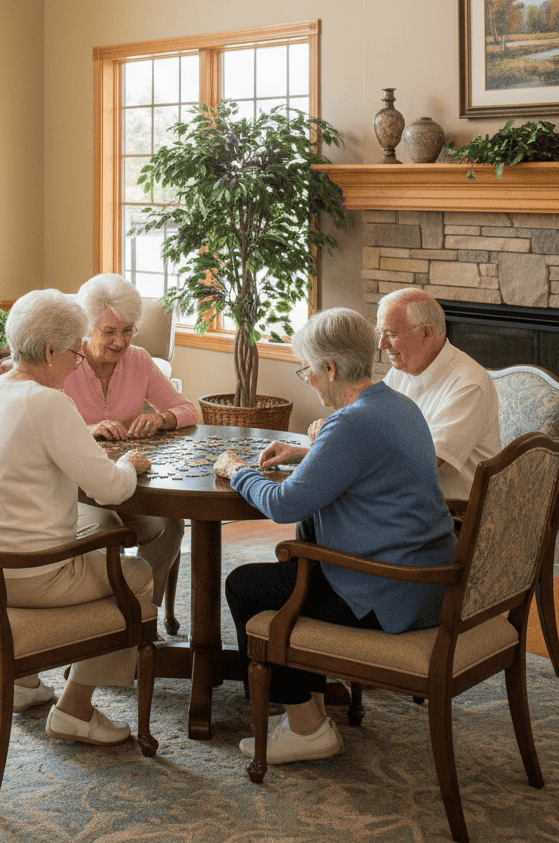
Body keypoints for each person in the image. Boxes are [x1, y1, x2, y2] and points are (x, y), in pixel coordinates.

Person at [213, 307, 456, 765]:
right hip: (426, 583)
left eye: (305, 370)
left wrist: (236, 470)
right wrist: (309, 452)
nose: (305, 379)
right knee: (291, 572)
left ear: (330, 368)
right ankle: (313, 705)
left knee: (247, 587)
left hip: (389, 593)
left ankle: (306, 727)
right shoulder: (398, 405)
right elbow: (365, 461)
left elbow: (284, 505)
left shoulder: (350, 423)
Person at [0, 288, 154, 746]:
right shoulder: (49, 404)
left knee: (99, 537)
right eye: (74, 354)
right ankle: (74, 708)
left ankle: (25, 683)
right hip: (35, 576)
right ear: (50, 352)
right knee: (138, 575)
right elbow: (111, 488)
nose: (78, 363)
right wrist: (130, 463)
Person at [64, 273, 196, 607]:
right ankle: (105, 623)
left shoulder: (138, 359)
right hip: (76, 487)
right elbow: (44, 423)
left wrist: (162, 417)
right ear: (87, 327)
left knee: (169, 525)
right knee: (105, 528)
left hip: (130, 485)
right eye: (109, 332)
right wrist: (89, 429)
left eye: (127, 331)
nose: (120, 342)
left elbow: (187, 410)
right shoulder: (66, 363)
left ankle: (141, 619)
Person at [304, 289, 500, 502]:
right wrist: (327, 439)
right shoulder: (401, 371)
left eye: (390, 334)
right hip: (402, 498)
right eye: (380, 333)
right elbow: (369, 427)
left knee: (326, 503)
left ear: (426, 333)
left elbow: (421, 465)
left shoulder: (468, 384)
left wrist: (343, 441)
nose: (381, 345)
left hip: (448, 515)